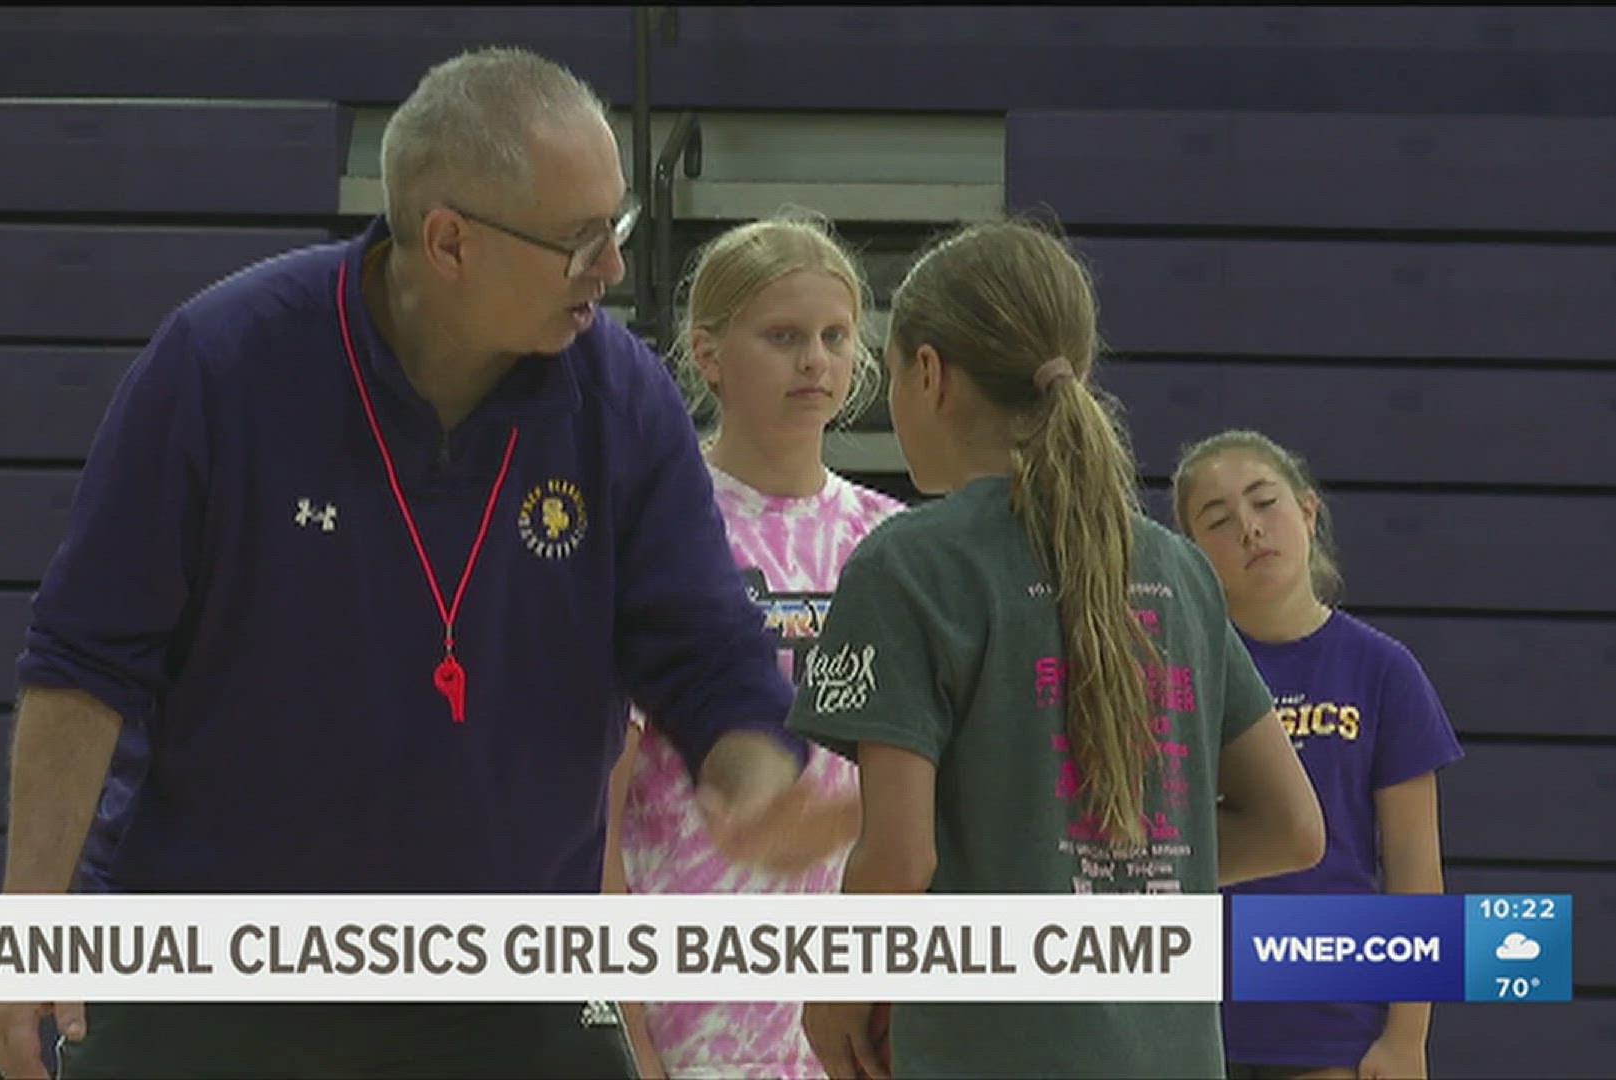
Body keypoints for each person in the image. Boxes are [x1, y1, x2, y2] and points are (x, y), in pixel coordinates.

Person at [0, 47, 822, 1080]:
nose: (610, 269)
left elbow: (702, 649)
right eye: (578, 241)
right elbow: (82, 664)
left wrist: (754, 778)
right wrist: (28, 929)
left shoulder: (622, 397)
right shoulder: (223, 363)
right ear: (449, 241)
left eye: (618, 228)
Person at [787, 218, 1328, 1079]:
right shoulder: (1177, 567)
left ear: (929, 375)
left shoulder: (908, 565)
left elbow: (900, 854)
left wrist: (836, 991)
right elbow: (1295, 828)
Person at [605, 213, 906, 1078]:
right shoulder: (661, 532)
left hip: (851, 999)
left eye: (834, 337)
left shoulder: (894, 544)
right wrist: (625, 1032)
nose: (815, 360)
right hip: (688, 994)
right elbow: (603, 819)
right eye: (783, 337)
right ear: (707, 354)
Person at [1171, 430, 1465, 1080]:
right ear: (1192, 556)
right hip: (1194, 1019)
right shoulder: (1179, 675)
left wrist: (1407, 1036)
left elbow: (1417, 871)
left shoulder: (1384, 670)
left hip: (1332, 1025)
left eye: (1264, 503)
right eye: (1218, 520)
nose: (1249, 529)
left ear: (1307, 511)